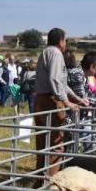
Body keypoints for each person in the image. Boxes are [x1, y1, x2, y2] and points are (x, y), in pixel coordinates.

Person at [33, 28, 85, 175]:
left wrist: (77, 98)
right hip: (51, 100)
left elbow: (61, 83)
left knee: (43, 141)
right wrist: (66, 101)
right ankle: (51, 182)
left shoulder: (45, 52)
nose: (65, 43)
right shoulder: (56, 54)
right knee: (56, 144)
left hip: (40, 99)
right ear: (61, 40)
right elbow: (56, 80)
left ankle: (40, 179)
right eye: (65, 40)